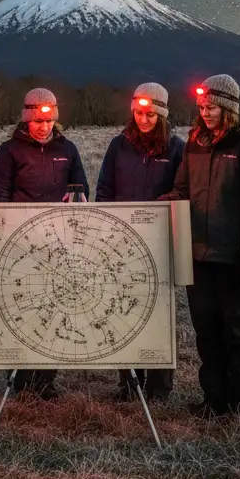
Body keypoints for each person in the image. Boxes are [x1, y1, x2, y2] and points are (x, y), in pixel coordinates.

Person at [161, 74, 240, 419]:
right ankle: (213, 398)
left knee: (236, 327)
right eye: (202, 107)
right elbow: (182, 189)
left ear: (229, 108)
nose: (205, 112)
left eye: (212, 107)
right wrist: (160, 205)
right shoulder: (195, 142)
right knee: (205, 328)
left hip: (231, 254)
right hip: (198, 253)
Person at [0, 87, 89, 398]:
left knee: (55, 308)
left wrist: (76, 198)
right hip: (22, 244)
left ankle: (46, 380)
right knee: (23, 308)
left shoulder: (68, 149)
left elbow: (81, 187)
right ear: (26, 119)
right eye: (38, 121)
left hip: (59, 243)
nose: (44, 127)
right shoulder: (10, 151)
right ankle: (20, 378)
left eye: (49, 121)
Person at [96, 82, 185, 401]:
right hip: (121, 247)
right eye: (137, 113)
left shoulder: (176, 148)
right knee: (122, 312)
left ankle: (160, 386)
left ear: (161, 115)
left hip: (159, 244)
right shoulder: (118, 145)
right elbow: (104, 189)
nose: (143, 120)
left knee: (161, 315)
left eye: (149, 114)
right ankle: (129, 382)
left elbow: (182, 193)